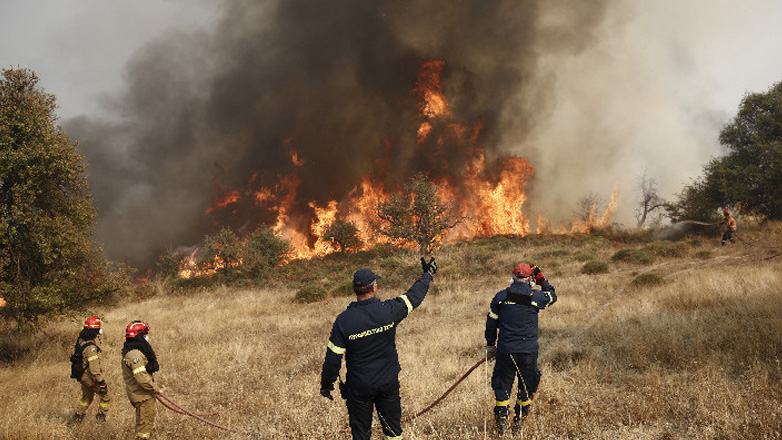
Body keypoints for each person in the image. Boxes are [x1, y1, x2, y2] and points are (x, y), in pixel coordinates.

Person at [320, 257, 438, 440]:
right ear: (374, 287)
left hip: (358, 387)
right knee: (392, 431)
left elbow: (333, 358)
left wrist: (327, 384)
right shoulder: (388, 311)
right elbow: (414, 297)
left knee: (361, 434)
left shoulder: (343, 321)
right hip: (386, 382)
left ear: (355, 290)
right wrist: (427, 275)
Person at [485, 263, 557, 435]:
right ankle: (519, 422)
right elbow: (553, 296)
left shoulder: (500, 297)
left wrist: (490, 345)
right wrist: (542, 280)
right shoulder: (536, 296)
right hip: (528, 352)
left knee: (502, 386)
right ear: (530, 280)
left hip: (505, 351)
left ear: (512, 278)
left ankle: (502, 423)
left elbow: (491, 323)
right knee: (526, 387)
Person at [122, 320, 161, 440]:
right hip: (142, 396)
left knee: (146, 425)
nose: (146, 337)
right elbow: (142, 378)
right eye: (144, 334)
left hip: (143, 394)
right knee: (144, 429)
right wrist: (156, 389)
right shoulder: (135, 355)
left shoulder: (133, 350)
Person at [69, 316, 111, 424]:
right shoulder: (91, 347)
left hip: (82, 375)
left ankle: (76, 420)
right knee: (106, 397)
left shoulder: (81, 340)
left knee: (86, 398)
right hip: (89, 376)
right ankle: (100, 421)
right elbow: (94, 369)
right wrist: (101, 382)